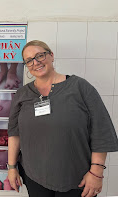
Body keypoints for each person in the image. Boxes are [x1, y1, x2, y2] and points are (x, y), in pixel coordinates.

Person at [7, 40, 118, 197]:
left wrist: (97, 172)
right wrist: (11, 168)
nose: (36, 62)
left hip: (77, 177)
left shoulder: (80, 88)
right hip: (35, 176)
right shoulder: (22, 94)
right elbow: (14, 133)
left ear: (51, 56)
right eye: (29, 60)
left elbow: (101, 129)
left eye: (40, 56)